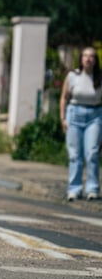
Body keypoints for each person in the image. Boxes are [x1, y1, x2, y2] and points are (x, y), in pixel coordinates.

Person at [59, 46, 102, 201]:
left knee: (92, 153)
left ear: (95, 60)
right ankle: (74, 189)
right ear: (81, 58)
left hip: (95, 115)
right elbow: (64, 97)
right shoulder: (73, 76)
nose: (88, 59)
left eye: (91, 56)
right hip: (75, 114)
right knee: (75, 155)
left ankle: (92, 188)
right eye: (85, 56)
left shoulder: (99, 78)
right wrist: (63, 118)